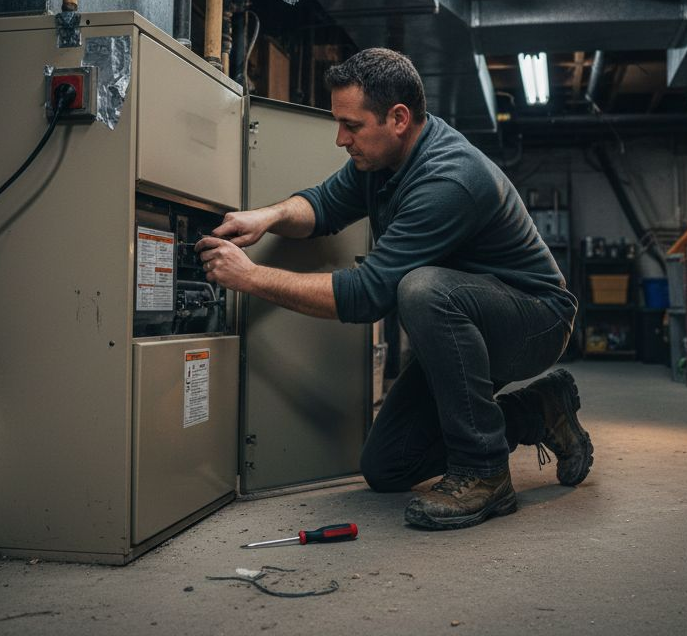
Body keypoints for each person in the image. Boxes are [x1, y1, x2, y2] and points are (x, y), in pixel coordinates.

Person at [195, 48, 591, 530]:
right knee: (388, 466)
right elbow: (323, 205)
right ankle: (539, 410)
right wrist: (267, 217)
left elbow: (368, 295)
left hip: (535, 321)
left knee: (421, 289)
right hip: (468, 315)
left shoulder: (450, 177)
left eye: (352, 126)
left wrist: (250, 277)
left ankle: (484, 472)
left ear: (398, 118)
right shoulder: (381, 161)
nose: (341, 139)